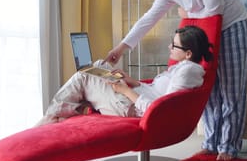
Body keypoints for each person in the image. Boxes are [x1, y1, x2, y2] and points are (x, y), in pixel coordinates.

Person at [105, 0, 247, 161]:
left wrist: (187, 14)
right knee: (206, 87)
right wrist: (121, 48)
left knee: (230, 90)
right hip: (203, 32)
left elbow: (214, 13)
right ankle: (211, 143)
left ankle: (228, 147)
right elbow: (149, 18)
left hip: (231, 27)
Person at [36, 26, 213, 126]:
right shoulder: (183, 68)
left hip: (130, 107)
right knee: (99, 65)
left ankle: (51, 118)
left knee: (84, 75)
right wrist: (132, 82)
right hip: (132, 97)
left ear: (188, 53)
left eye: (174, 46)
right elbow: (159, 93)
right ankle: (71, 110)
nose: (169, 48)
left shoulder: (187, 72)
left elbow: (161, 110)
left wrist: (126, 91)